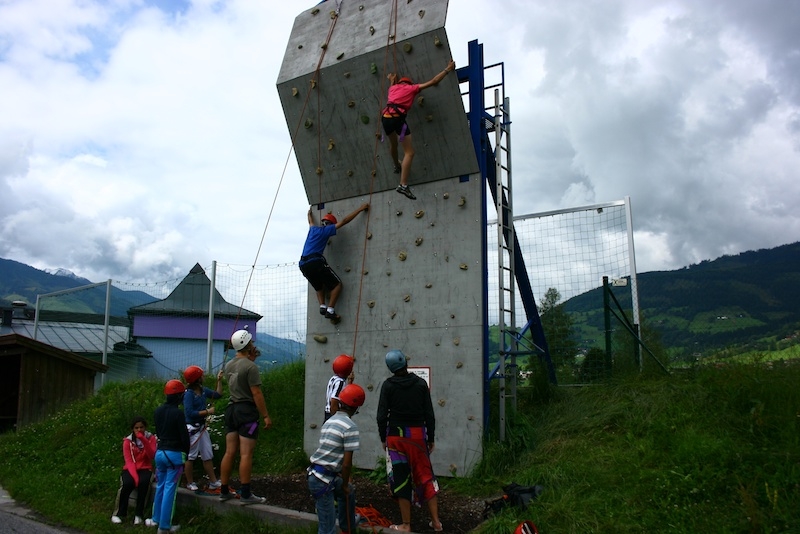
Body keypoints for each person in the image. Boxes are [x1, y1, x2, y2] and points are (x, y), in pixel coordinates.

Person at [376, 350, 442, 532]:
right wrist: (431, 437)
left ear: (390, 368)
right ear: (405, 362)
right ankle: (436, 522)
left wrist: (383, 438)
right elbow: (429, 414)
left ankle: (406, 525)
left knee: (401, 477)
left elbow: (381, 416)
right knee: (425, 476)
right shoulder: (421, 384)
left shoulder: (388, 386)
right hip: (417, 436)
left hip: (395, 437)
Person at [382, 60, 456, 200]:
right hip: (399, 120)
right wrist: (448, 69)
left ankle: (396, 165)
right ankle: (403, 185)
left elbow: (392, 85)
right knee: (409, 152)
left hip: (386, 118)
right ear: (409, 84)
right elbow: (434, 81)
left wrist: (392, 80)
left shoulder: (392, 89)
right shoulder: (412, 88)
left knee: (393, 145)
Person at [218, 329, 272, 504]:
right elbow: (256, 393)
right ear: (247, 345)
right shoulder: (251, 367)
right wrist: (265, 415)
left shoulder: (229, 365)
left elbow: (239, 377)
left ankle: (224, 490)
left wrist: (251, 359)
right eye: (251, 342)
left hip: (231, 410)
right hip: (247, 412)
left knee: (230, 452)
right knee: (246, 453)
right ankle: (246, 493)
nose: (253, 344)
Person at [307, 383, 365, 534]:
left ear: (340, 403)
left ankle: (348, 526)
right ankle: (346, 526)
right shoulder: (350, 427)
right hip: (323, 480)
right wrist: (345, 484)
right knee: (327, 529)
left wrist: (345, 487)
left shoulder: (329, 421)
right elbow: (346, 465)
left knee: (349, 492)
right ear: (356, 408)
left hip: (317, 475)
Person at [300, 203, 369, 324]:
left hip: (303, 264)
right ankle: (330, 309)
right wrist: (360, 209)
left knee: (318, 286)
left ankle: (322, 306)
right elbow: (344, 221)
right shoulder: (326, 230)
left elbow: (310, 221)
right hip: (315, 261)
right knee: (337, 285)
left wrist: (309, 214)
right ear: (330, 224)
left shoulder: (313, 229)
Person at [150, 379, 190, 534]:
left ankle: (156, 519)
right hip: (174, 455)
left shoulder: (158, 411)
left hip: (160, 453)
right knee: (169, 490)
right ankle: (164, 526)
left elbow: (159, 433)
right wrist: (186, 454)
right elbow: (184, 437)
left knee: (160, 486)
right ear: (179, 396)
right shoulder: (178, 414)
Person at [182, 365, 224, 492]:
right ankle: (190, 482)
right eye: (201, 375)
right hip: (192, 429)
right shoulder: (188, 394)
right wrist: (207, 412)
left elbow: (217, 395)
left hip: (201, 428)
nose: (203, 377)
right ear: (197, 378)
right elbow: (189, 413)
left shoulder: (203, 390)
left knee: (207, 454)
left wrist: (220, 380)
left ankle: (213, 482)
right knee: (191, 456)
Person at [111, 416, 157, 525]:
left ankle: (139, 514)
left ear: (145, 427)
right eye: (136, 428)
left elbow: (152, 455)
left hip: (146, 467)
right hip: (131, 468)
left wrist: (144, 440)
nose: (139, 430)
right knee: (127, 483)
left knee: (144, 483)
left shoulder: (151, 438)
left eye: (141, 427)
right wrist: (135, 477)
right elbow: (129, 461)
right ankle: (119, 513)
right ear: (133, 429)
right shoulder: (128, 442)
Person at [324, 354, 355, 422]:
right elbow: (334, 401)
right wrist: (337, 419)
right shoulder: (340, 382)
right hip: (333, 414)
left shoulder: (334, 378)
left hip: (328, 413)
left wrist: (349, 382)